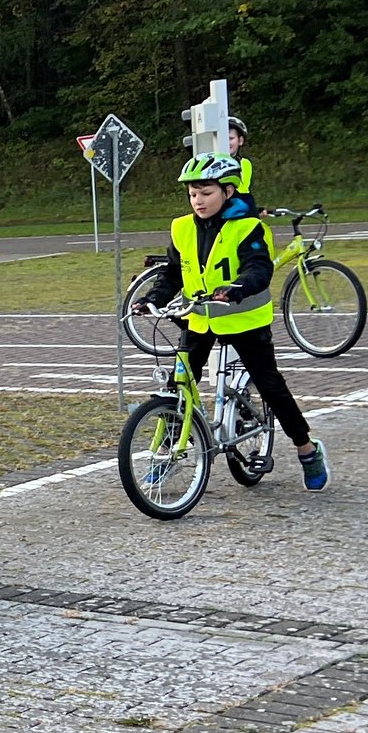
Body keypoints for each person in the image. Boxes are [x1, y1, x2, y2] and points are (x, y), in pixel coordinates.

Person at [137, 153, 328, 490]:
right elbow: (171, 273)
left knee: (270, 386)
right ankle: (168, 452)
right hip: (199, 320)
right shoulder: (181, 228)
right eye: (193, 194)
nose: (198, 201)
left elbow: (258, 266)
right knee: (178, 386)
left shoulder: (249, 227)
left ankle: (307, 450)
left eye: (206, 193)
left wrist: (237, 287)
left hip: (245, 320)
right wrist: (152, 298)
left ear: (227, 191)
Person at [226, 116, 254, 202]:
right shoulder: (212, 164)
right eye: (222, 138)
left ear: (240, 140)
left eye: (230, 138)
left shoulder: (245, 164)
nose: (226, 142)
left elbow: (245, 192)